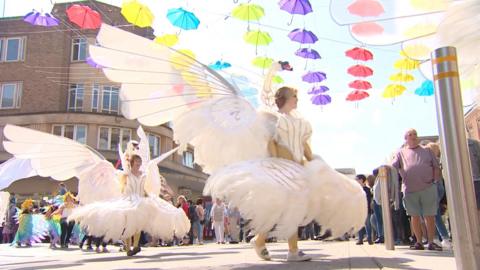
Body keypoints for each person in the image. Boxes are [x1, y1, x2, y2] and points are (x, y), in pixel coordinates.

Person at [391, 129, 442, 251]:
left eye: (415, 134)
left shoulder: (427, 150)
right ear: (406, 139)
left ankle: (430, 242)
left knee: (429, 215)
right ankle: (419, 242)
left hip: (428, 187)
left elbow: (436, 166)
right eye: (410, 135)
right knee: (414, 216)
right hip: (410, 189)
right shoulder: (400, 153)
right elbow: (393, 166)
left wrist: (435, 182)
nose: (413, 136)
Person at [356, 174, 373, 245]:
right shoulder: (356, 190)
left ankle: (369, 238)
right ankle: (360, 239)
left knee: (368, 224)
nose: (355, 181)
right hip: (358, 210)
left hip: (366, 210)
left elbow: (369, 201)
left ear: (361, 180)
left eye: (356, 179)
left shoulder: (367, 190)